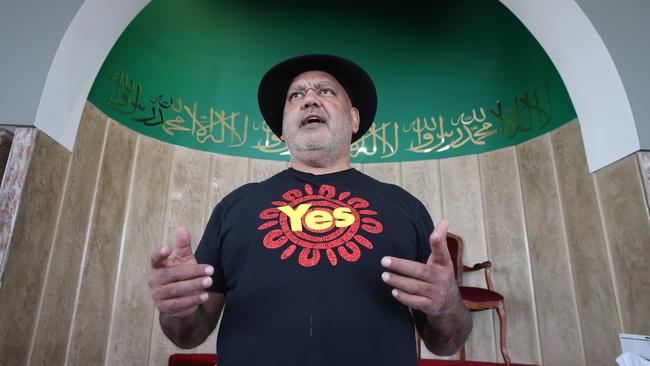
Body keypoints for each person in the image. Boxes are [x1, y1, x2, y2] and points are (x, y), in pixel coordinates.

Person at [149, 54, 472, 365]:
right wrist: (177, 309)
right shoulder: (234, 206)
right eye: (296, 95)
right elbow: (190, 334)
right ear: (282, 127)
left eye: (326, 91)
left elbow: (446, 342)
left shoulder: (405, 208)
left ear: (355, 119)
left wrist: (447, 305)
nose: (309, 99)